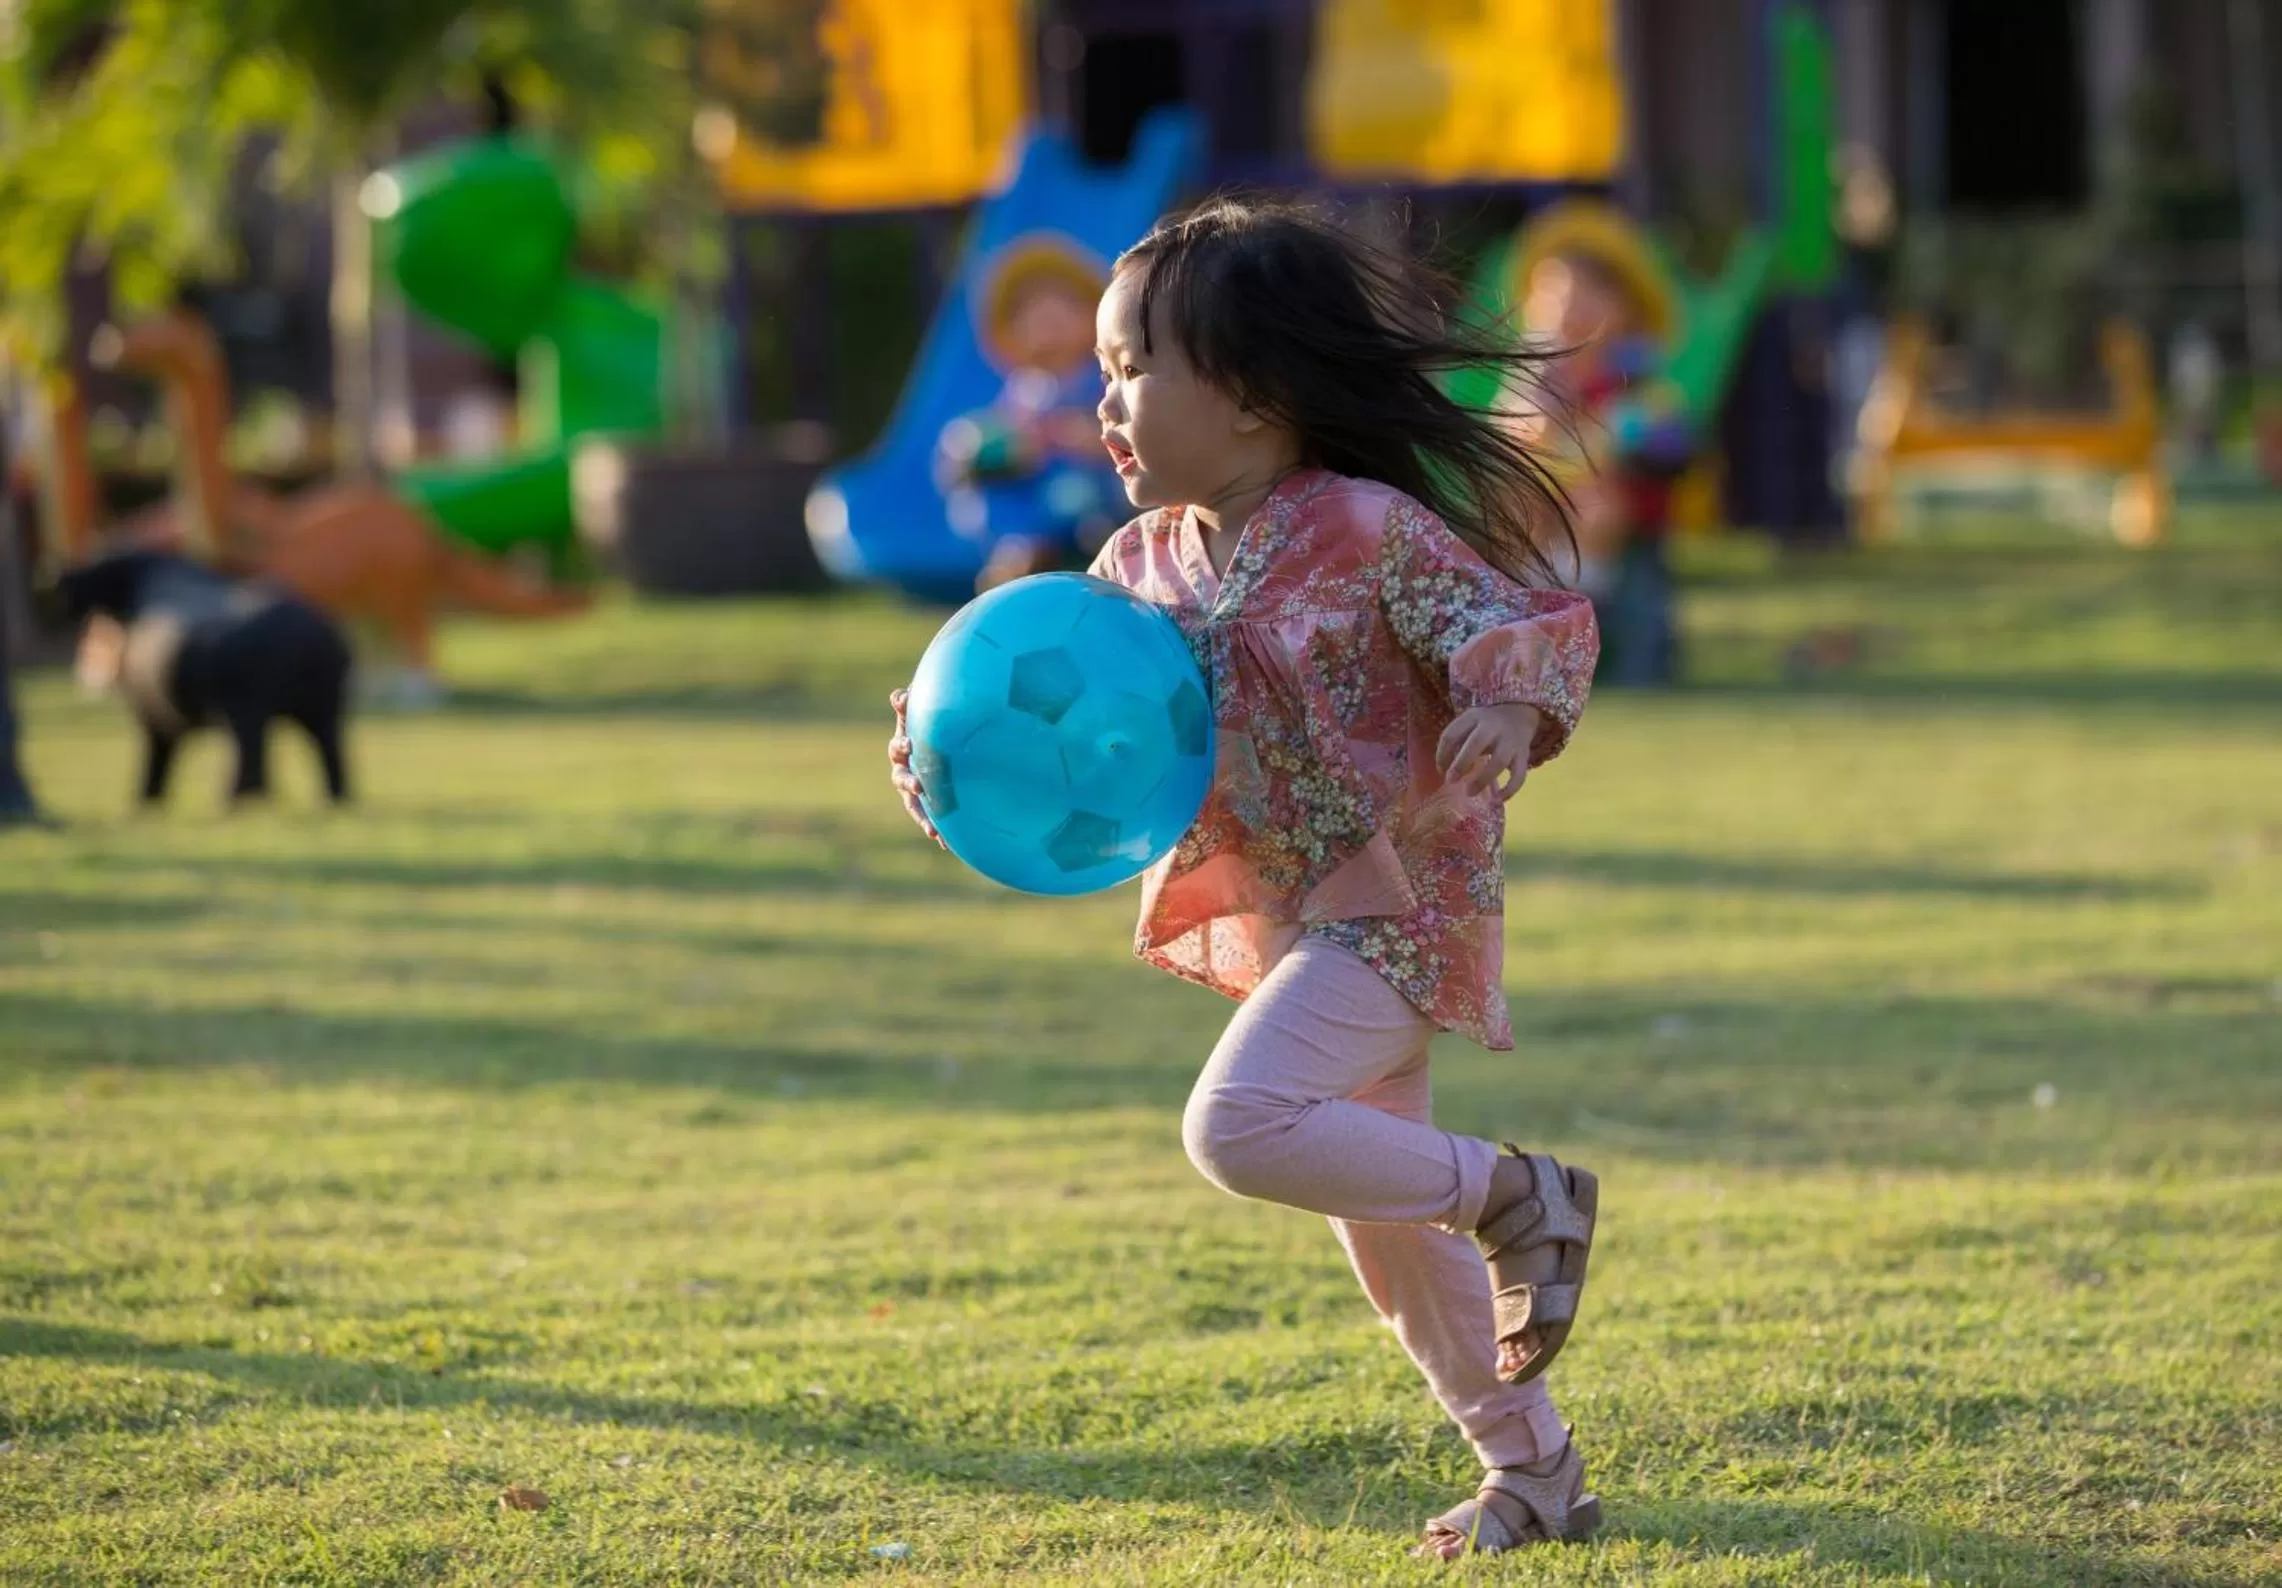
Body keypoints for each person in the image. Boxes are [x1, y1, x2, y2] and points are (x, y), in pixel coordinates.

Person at [890, 198, 1606, 1557]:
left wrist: (1507, 716)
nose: (1104, 402)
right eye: (1099, 371)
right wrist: (951, 771)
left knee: (1236, 1127)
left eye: (1133, 368)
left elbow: (1508, 627)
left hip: (1398, 907)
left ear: (1258, 394)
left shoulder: (1362, 524)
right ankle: (1537, 1473)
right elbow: (1062, 725)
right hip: (1296, 922)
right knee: (1388, 1245)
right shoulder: (1133, 569)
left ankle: (1523, 1196)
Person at [1520, 247, 1686, 687]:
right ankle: (1530, 590)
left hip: (1613, 501)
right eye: (1555, 302)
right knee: (1510, 497)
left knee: (1600, 503)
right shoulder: (1538, 372)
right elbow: (1518, 432)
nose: (1569, 314)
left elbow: (1660, 433)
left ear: (1622, 314)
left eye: (1585, 303)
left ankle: (1567, 599)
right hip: (1546, 496)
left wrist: (1616, 431)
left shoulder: (1632, 371)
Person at [937, 238, 1128, 592]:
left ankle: (1078, 557)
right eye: (1032, 312)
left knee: (1074, 497)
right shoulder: (1024, 388)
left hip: (1090, 487)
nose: (1049, 321)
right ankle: (1018, 554)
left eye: (1067, 307)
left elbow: (1121, 432)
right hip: (1034, 486)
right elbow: (1008, 430)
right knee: (986, 490)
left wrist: (1082, 437)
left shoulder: (1102, 380)